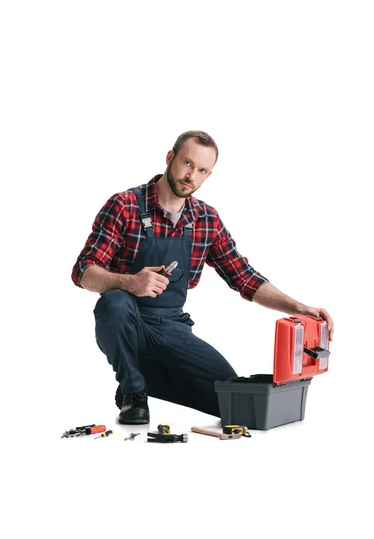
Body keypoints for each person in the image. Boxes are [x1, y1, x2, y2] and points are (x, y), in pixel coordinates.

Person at [71, 130, 334, 425]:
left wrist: (298, 308)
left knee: (232, 404)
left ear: (209, 174)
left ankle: (144, 379)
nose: (191, 175)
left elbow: (243, 276)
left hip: (173, 327)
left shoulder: (205, 220)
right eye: (186, 163)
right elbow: (83, 271)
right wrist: (128, 282)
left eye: (201, 170)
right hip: (128, 322)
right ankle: (133, 392)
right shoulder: (126, 205)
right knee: (115, 302)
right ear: (170, 158)